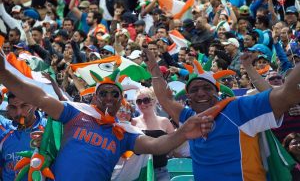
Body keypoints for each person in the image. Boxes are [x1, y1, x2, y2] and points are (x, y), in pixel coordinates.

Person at [0, 51, 213, 180]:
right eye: (103, 93)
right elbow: (37, 97)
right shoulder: (75, 113)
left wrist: (184, 132)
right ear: (94, 97)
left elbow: (158, 145)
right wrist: (4, 73)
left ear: (122, 100)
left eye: (114, 94)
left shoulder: (124, 133)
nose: (108, 98)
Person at [141, 47, 300, 180]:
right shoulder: (189, 119)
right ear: (188, 97)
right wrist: (154, 69)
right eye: (194, 90)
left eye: (207, 88)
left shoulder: (238, 109)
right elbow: (165, 100)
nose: (201, 93)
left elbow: (287, 95)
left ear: (218, 93)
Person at [0, 92, 47, 180]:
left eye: (24, 106)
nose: (19, 113)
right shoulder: (4, 136)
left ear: (35, 105)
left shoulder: (49, 129)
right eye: (13, 108)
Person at [132, 88, 174, 181]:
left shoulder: (165, 121)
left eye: (146, 100)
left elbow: (174, 143)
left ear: (154, 101)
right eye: (139, 101)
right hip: (139, 172)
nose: (142, 104)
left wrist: (166, 153)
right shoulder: (133, 122)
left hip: (160, 171)